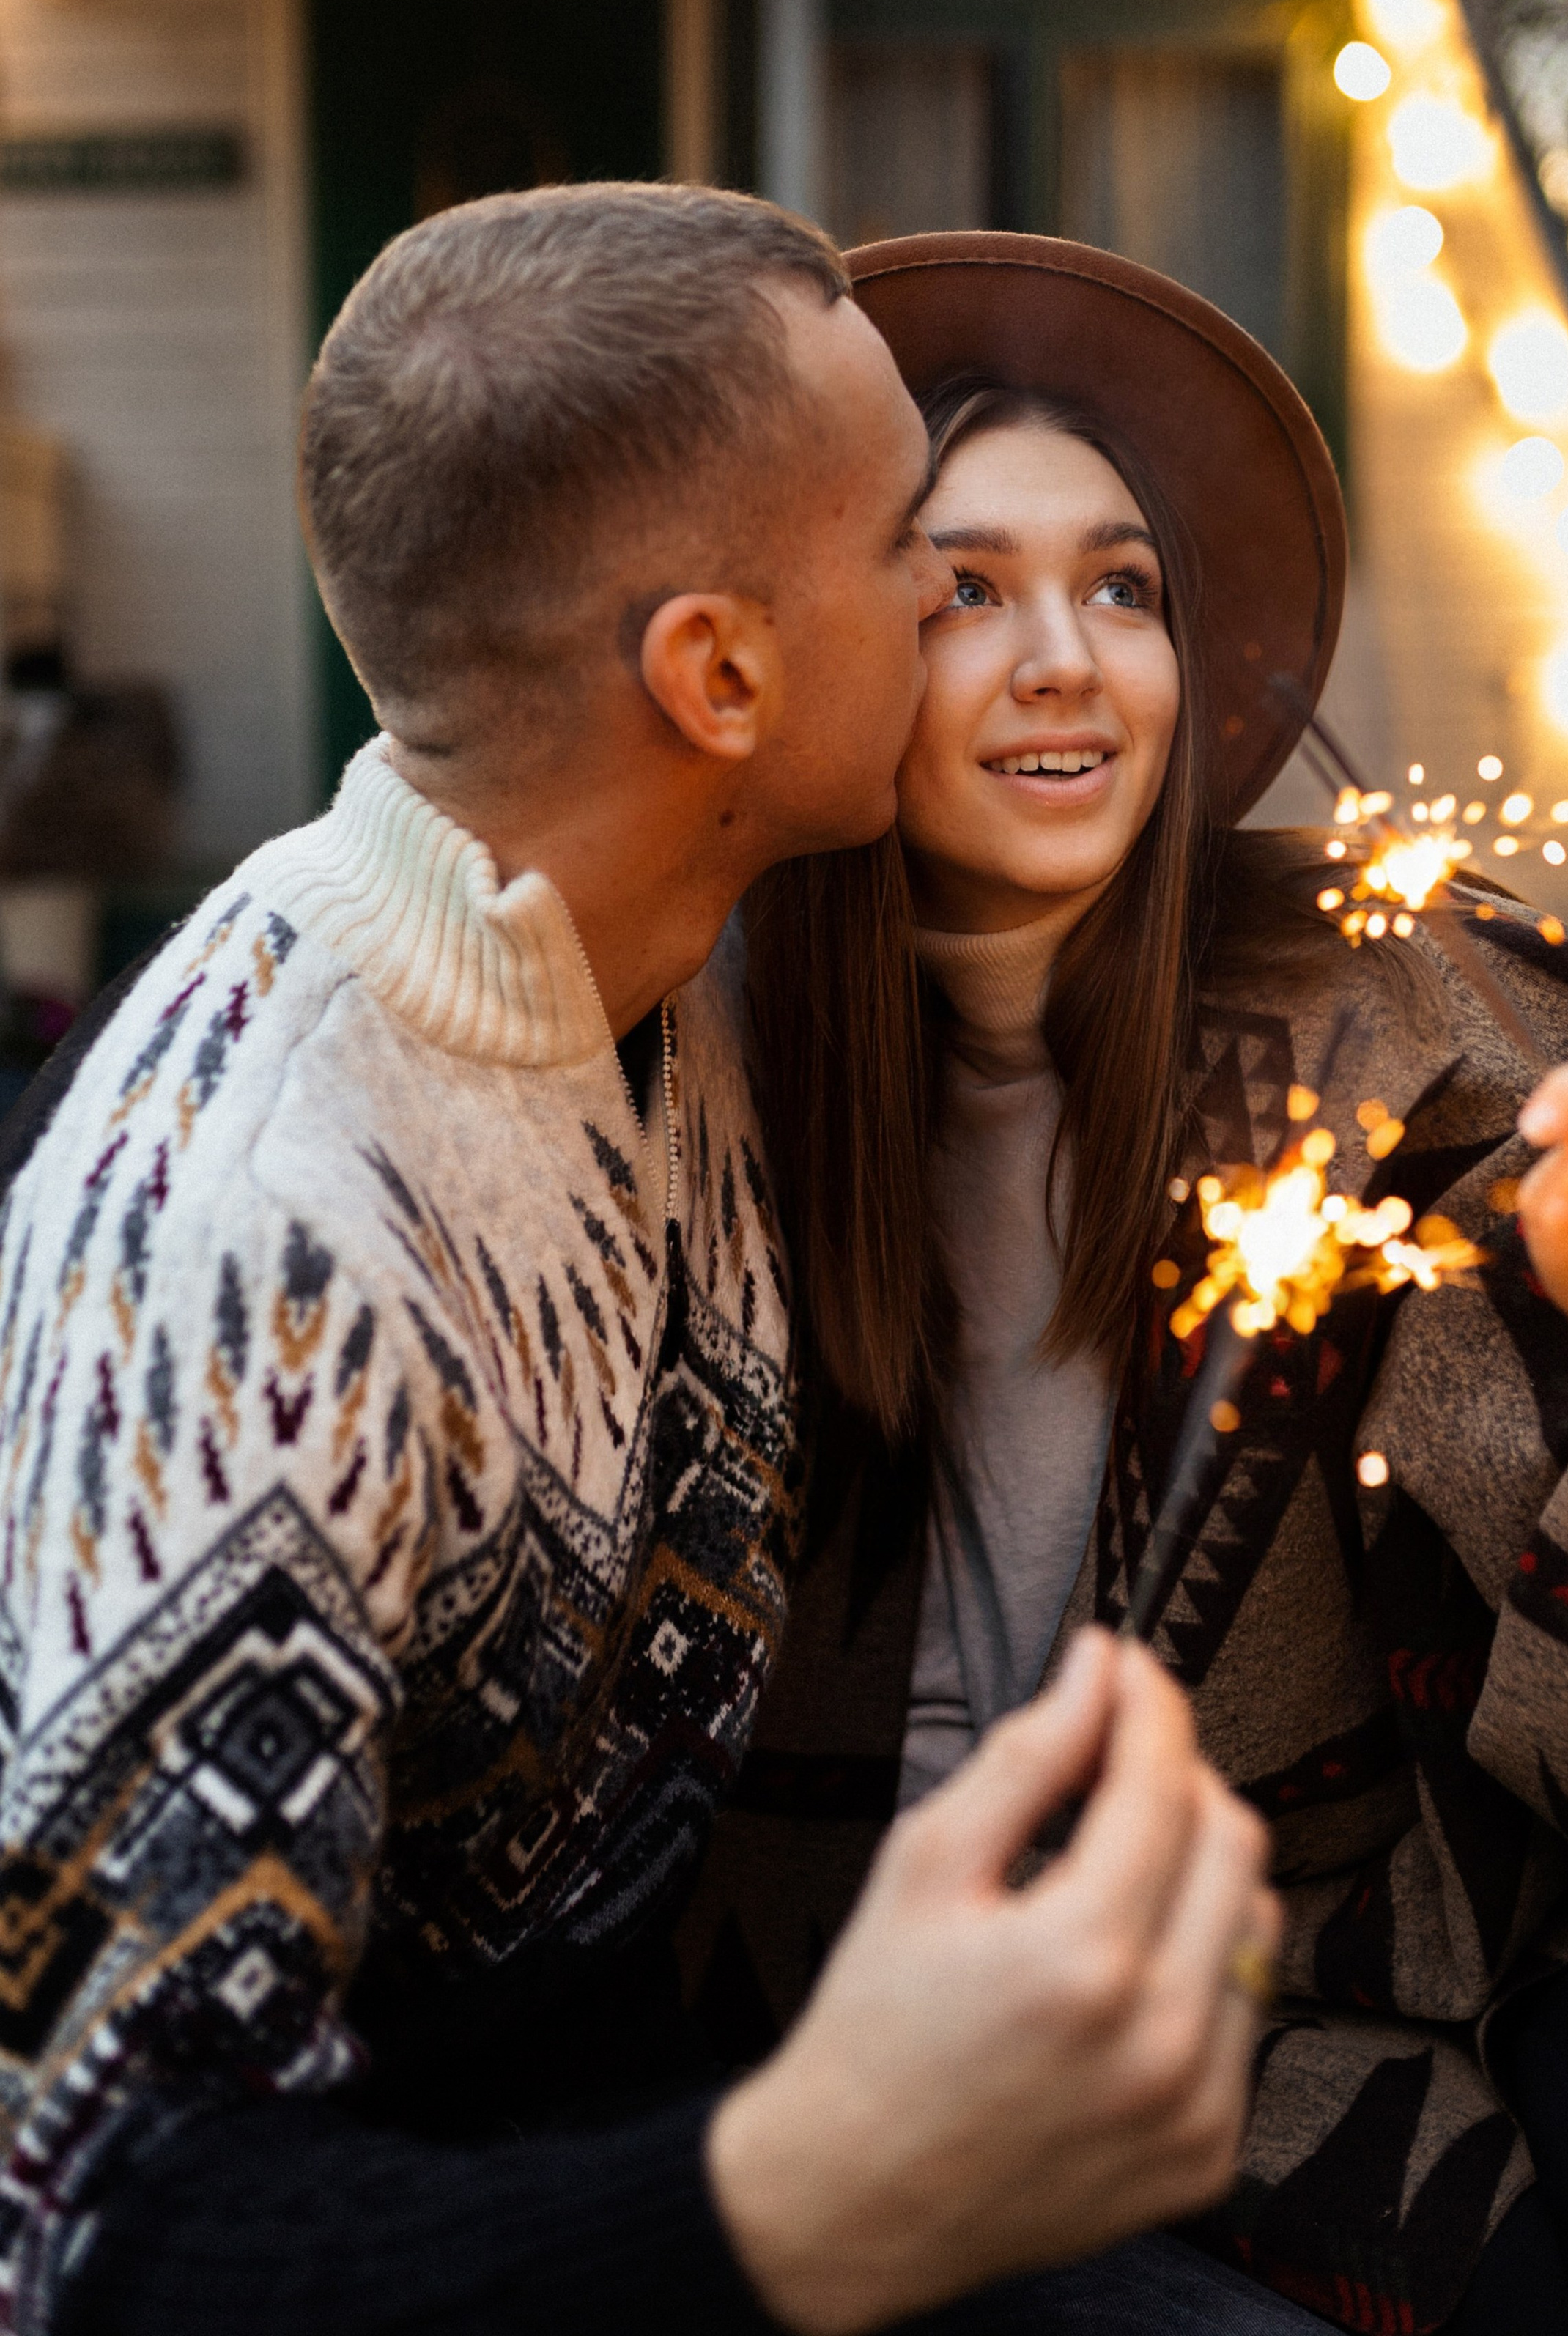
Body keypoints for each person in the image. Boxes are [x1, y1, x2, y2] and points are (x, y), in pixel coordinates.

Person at [0, 188, 1300, 2336]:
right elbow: (110, 2242)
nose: (977, 620)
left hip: (648, 2133)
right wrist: (810, 2189)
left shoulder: (668, 953)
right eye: (925, 558)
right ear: (720, 676)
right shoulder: (257, 1257)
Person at [682, 231, 1568, 2335]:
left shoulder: (1421, 1017)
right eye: (965, 590)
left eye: (1124, 587)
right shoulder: (686, 1081)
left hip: (1430, 1917)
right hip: (893, 1979)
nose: (1069, 658)